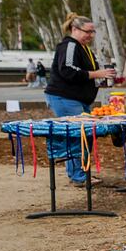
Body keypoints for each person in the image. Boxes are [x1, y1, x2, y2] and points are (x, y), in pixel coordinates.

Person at [44, 14, 115, 186]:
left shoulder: (84, 49)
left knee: (84, 133)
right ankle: (78, 176)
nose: (90, 35)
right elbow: (67, 70)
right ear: (75, 29)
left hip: (78, 98)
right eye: (87, 32)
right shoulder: (69, 45)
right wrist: (97, 74)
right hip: (64, 97)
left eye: (93, 32)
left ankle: (79, 173)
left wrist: (102, 79)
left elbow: (86, 74)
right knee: (79, 134)